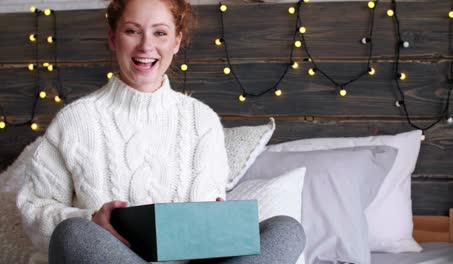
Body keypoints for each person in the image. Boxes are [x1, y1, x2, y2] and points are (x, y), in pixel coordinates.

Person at [17, 0, 305, 263]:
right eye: (132, 31)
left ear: (177, 41)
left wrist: (217, 220)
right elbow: (33, 209)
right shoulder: (75, 121)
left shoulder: (202, 121)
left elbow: (208, 224)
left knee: (287, 229)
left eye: (160, 33)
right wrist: (90, 219)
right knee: (73, 233)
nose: (146, 46)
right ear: (113, 38)